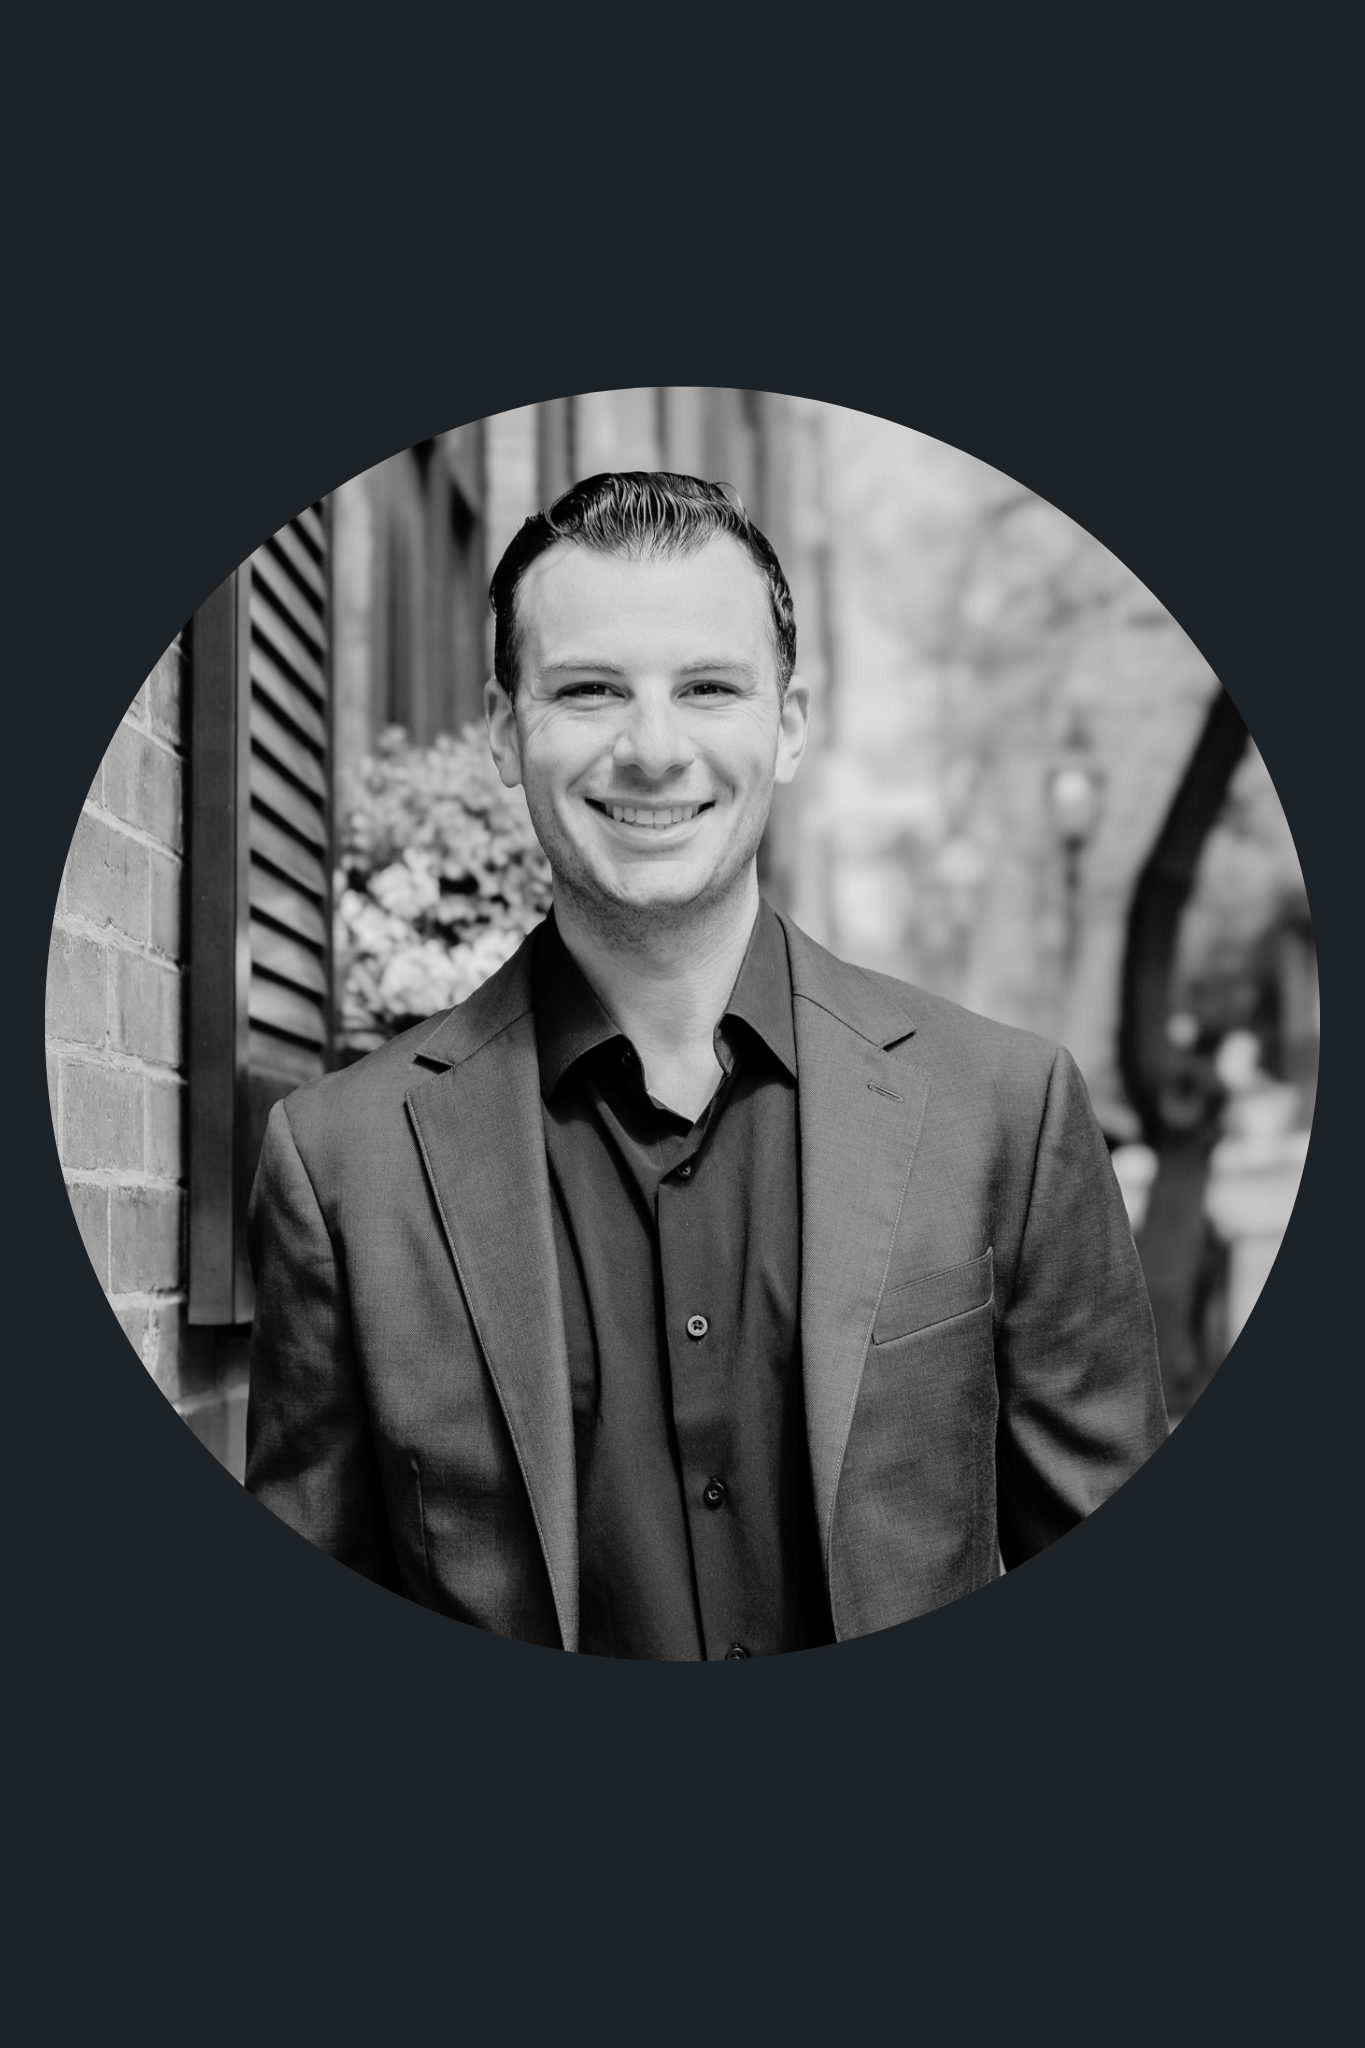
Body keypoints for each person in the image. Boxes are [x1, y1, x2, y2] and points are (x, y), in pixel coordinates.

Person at [245, 471, 1167, 1659]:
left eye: (709, 687)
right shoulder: (341, 1168)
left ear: (785, 726)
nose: (654, 747)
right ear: (502, 725)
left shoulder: (1005, 1111)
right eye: (588, 690)